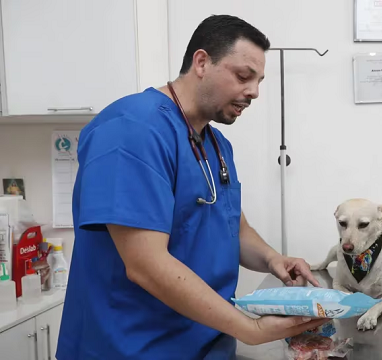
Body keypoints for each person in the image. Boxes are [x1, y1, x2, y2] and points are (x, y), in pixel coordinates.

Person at [57, 15, 328, 360]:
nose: (254, 92)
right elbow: (146, 265)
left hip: (205, 344)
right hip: (131, 347)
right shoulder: (132, 131)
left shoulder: (216, 145)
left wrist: (274, 259)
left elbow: (233, 226)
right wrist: (251, 329)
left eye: (259, 81)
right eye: (244, 76)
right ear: (201, 62)